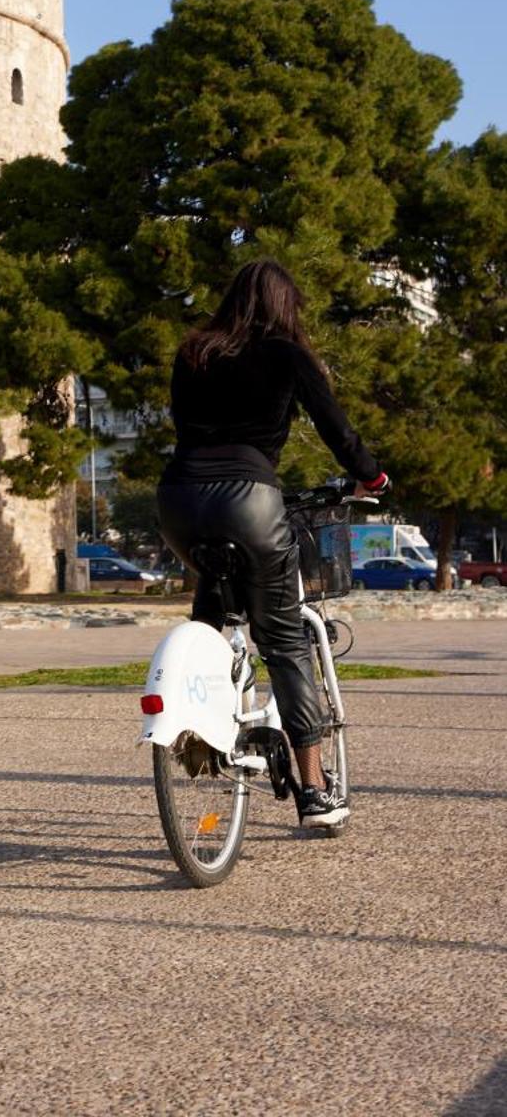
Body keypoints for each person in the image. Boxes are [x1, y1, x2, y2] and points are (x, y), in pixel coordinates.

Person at [157, 258, 387, 830]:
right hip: (250, 499)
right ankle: (314, 791)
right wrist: (371, 476)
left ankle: (204, 733)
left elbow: (184, 425)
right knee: (284, 639)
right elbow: (336, 427)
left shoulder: (193, 352)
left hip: (180, 501)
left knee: (212, 612)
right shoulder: (286, 352)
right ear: (287, 307)